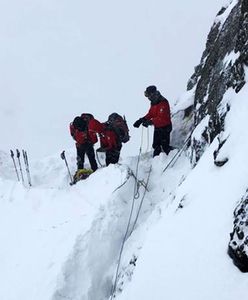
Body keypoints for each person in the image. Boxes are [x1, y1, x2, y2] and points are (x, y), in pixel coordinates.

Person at [133, 85, 172, 157]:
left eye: (149, 96)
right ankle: (156, 162)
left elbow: (162, 118)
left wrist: (150, 122)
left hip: (165, 127)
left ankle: (173, 158)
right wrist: (142, 119)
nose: (148, 98)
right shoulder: (154, 102)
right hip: (158, 127)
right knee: (156, 146)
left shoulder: (163, 102)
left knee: (165, 146)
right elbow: (151, 113)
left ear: (152, 94)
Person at [70, 114, 103, 179]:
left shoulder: (88, 126)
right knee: (91, 159)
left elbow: (94, 139)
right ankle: (94, 171)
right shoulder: (76, 126)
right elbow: (94, 140)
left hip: (82, 144)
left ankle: (82, 172)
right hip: (85, 144)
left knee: (81, 160)